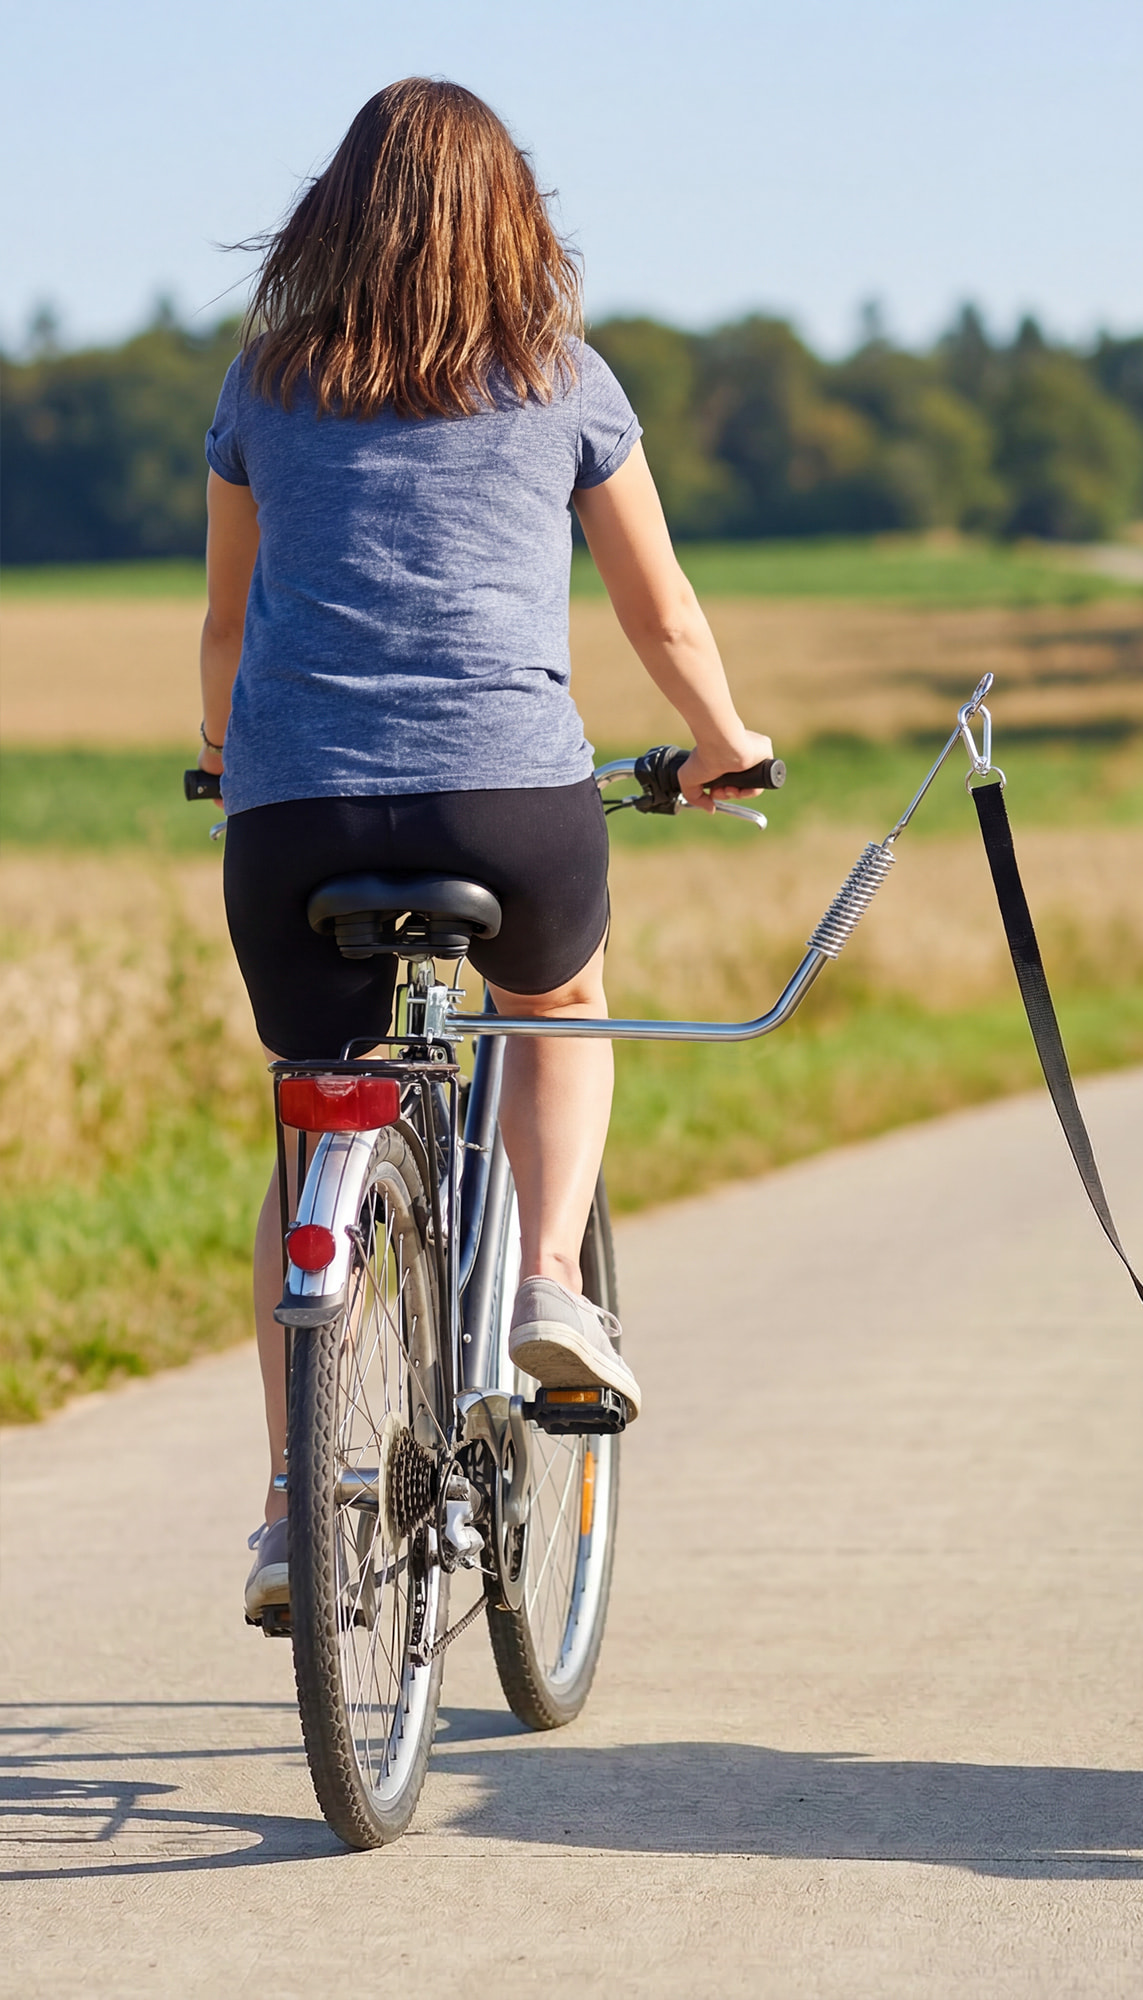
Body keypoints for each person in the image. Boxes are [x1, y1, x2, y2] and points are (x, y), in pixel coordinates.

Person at [205, 79, 770, 1625]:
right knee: (559, 1004)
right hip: (511, 807)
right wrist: (722, 740)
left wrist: (223, 754)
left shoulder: (265, 385)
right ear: (513, 220)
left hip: (295, 820)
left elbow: (228, 628)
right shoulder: (563, 378)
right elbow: (661, 612)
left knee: (314, 1116)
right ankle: (553, 1288)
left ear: (336, 214)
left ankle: (290, 1506)